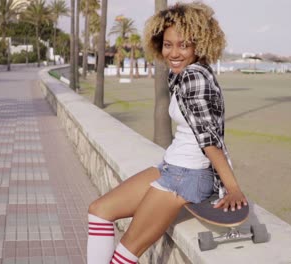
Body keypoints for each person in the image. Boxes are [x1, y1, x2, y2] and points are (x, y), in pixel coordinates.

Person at [87, 2, 247, 263]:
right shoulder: (184, 74)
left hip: (187, 176)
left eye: (184, 45)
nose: (174, 52)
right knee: (99, 210)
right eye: (168, 44)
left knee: (123, 255)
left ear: (199, 45)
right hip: (172, 167)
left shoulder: (194, 78)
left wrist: (232, 188)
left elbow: (210, 139)